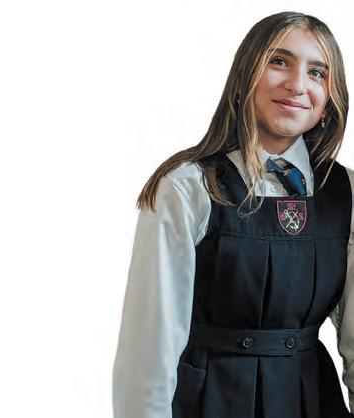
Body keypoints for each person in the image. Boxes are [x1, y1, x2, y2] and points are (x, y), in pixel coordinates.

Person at [112, 11, 354, 418]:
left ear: (330, 99)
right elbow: (149, 354)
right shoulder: (188, 188)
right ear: (243, 78)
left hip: (312, 401)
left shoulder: (346, 192)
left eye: (317, 72)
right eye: (279, 61)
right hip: (211, 402)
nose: (297, 84)